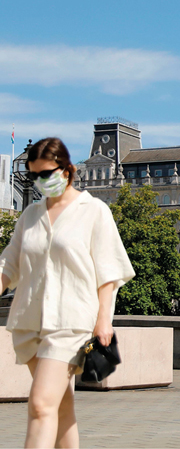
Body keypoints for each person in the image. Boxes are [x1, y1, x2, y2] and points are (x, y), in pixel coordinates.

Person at [0, 138, 135, 448]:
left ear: (68, 170)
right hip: (29, 321)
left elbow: (108, 274)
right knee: (61, 408)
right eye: (34, 176)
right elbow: (9, 265)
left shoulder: (94, 211)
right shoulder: (30, 216)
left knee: (40, 406)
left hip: (71, 323)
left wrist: (104, 321)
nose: (40, 182)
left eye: (46, 174)